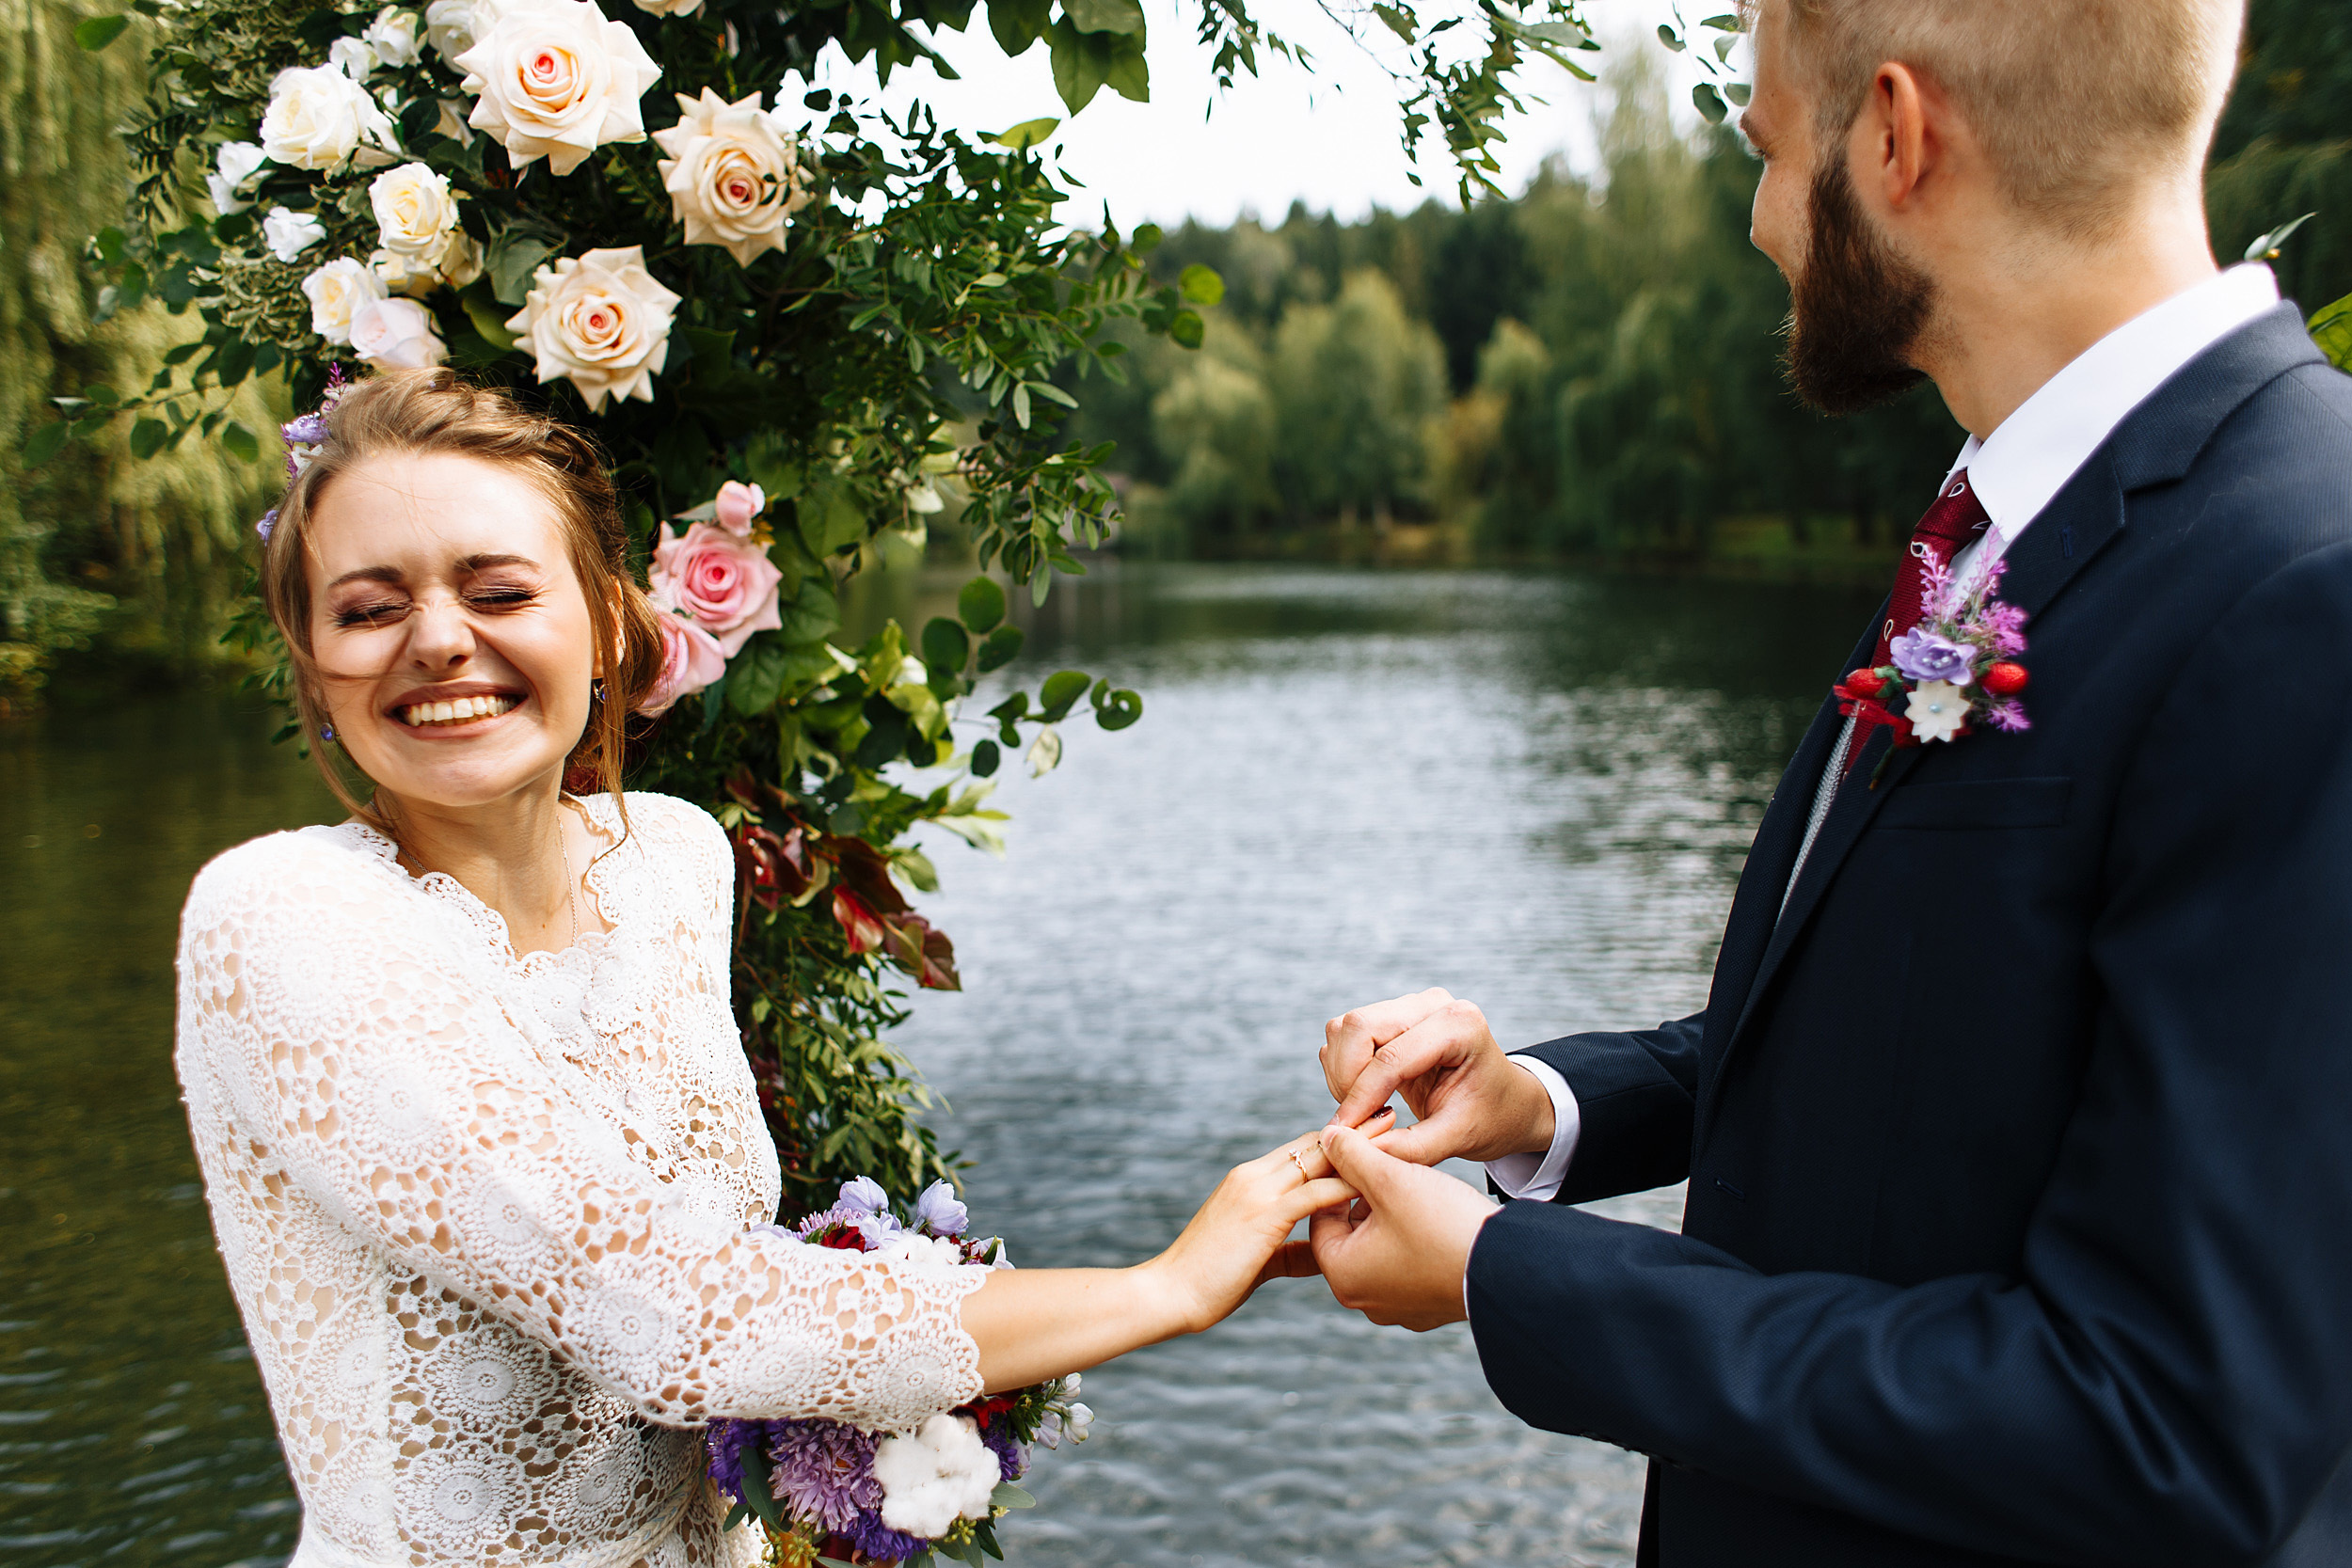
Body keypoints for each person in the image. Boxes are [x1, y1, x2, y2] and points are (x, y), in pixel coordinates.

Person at [1303, 1, 2352, 1564]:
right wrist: (1547, 1109)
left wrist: (1504, 1278)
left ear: (1894, 136)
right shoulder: (2002, 518)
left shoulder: (2307, 580)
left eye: (1767, 149)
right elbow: (1928, 1031)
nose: (1756, 218)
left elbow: (2167, 1424)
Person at [173, 369, 1350, 1568]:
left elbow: (729, 1265)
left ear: (608, 626)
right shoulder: (279, 918)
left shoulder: (672, 861)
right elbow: (671, 1312)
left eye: (501, 589)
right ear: (314, 665)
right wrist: (1175, 1282)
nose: (436, 638)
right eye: (368, 610)